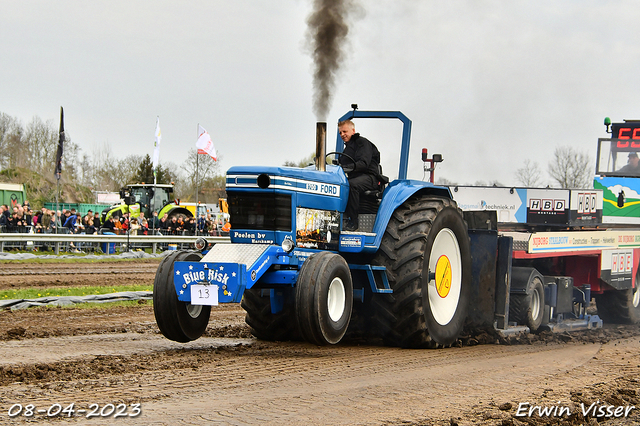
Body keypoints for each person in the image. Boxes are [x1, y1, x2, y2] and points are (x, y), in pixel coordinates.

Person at [337, 119, 381, 231]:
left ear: (353, 130)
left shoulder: (363, 143)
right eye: (340, 133)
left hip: (370, 177)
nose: (342, 134)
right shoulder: (347, 149)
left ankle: (353, 222)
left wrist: (345, 168)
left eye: (344, 131)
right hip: (355, 177)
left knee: (352, 185)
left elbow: (363, 163)